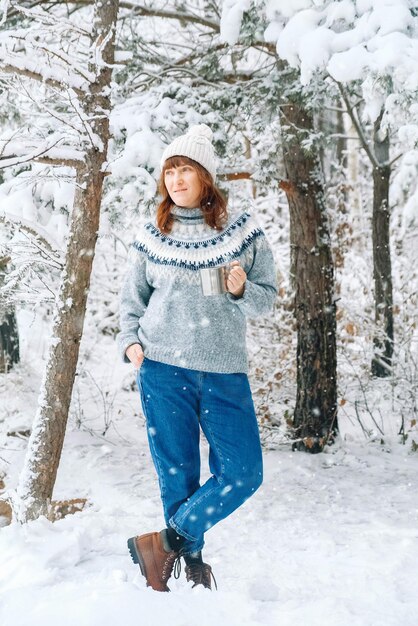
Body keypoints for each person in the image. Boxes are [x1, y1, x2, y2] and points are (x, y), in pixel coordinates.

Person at [117, 124, 277, 592]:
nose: (177, 179)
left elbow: (266, 300)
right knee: (177, 470)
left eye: (186, 169)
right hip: (163, 368)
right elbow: (132, 300)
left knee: (244, 472)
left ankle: (166, 542)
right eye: (170, 171)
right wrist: (131, 343)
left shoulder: (243, 231)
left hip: (224, 369)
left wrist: (242, 289)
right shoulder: (152, 234)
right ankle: (189, 564)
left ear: (206, 177)